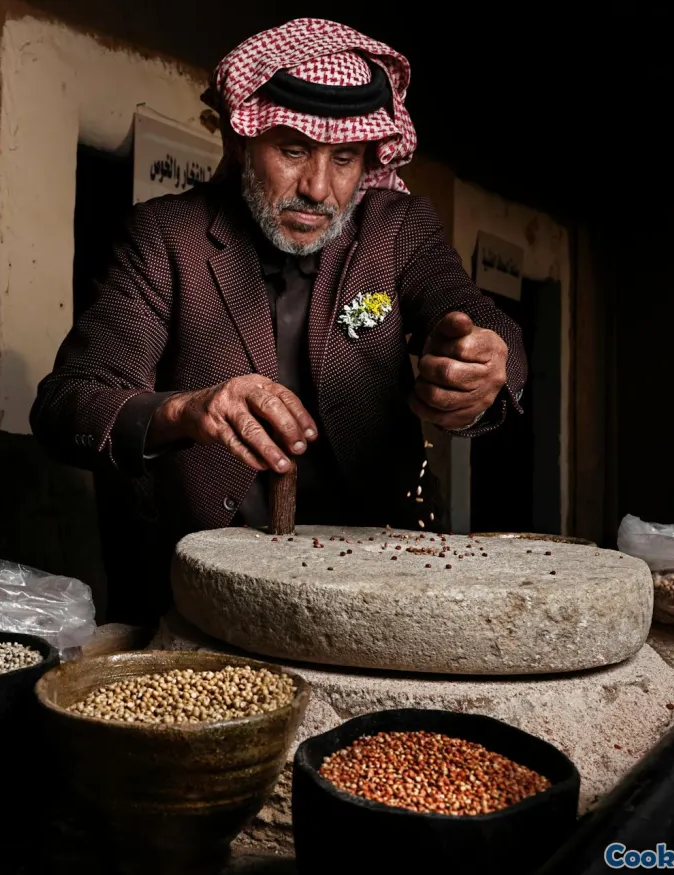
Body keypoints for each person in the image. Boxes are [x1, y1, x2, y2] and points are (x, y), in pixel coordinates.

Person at [31, 18, 527, 623]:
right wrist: (183, 411)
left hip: (380, 585)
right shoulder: (164, 237)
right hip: (197, 593)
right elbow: (67, 405)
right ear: (242, 143)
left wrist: (483, 357)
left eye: (345, 159)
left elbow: (471, 313)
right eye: (293, 151)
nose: (319, 188)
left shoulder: (399, 230)